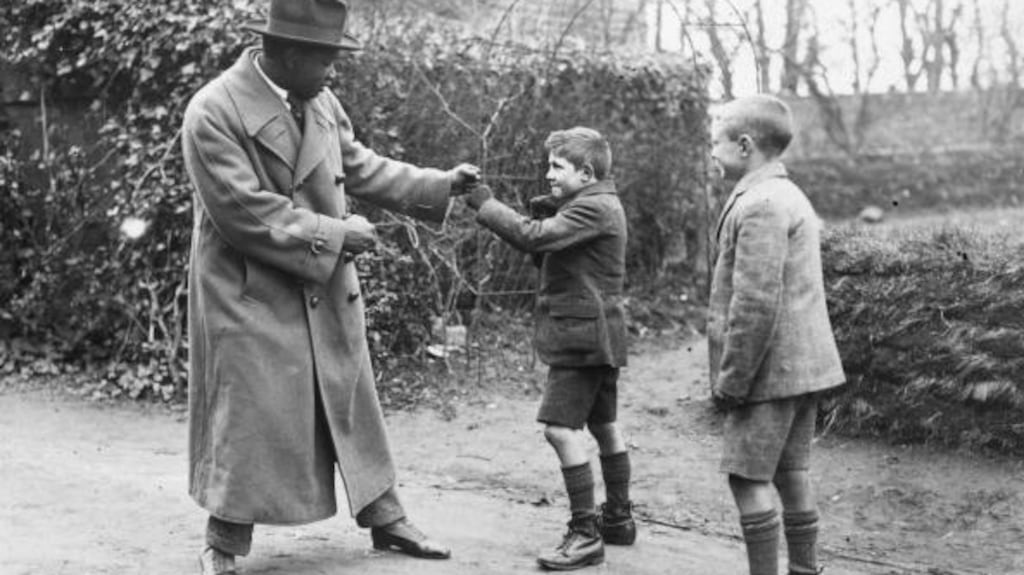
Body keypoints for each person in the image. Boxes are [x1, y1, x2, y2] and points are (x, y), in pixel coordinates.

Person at [180, 1, 479, 573]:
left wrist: (440, 185)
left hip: (320, 280)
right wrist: (336, 235)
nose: (334, 71)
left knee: (350, 398)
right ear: (290, 55)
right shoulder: (212, 112)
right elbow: (244, 212)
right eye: (327, 59)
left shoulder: (319, 101)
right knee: (247, 415)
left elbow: (359, 165)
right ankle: (223, 539)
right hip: (249, 295)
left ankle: (386, 517)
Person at [463, 127, 634, 571]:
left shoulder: (593, 206)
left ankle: (585, 533)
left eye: (557, 167)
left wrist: (484, 203)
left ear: (587, 171)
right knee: (605, 426)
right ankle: (617, 518)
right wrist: (553, 208)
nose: (548, 174)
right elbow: (555, 251)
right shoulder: (598, 202)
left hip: (580, 340)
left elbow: (535, 238)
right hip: (601, 336)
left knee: (559, 431)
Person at [706, 94, 846, 575]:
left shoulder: (761, 203)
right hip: (801, 368)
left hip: (766, 371)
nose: (711, 152)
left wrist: (732, 381)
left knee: (747, 480)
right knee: (791, 472)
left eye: (716, 143)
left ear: (745, 145)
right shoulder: (785, 193)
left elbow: (754, 304)